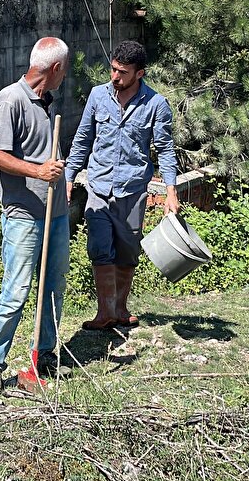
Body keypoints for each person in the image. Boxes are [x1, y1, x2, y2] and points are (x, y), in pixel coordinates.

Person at [0, 36, 71, 394]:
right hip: (23, 215)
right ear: (56, 68)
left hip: (56, 214)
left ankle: (44, 354)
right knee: (16, 291)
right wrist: (37, 172)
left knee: (53, 288)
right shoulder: (12, 99)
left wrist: (61, 178)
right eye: (65, 70)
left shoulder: (48, 101)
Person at [65, 40, 179, 331]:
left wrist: (171, 192)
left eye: (122, 72)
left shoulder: (156, 104)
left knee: (128, 251)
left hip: (132, 190)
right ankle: (105, 312)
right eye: (113, 69)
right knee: (100, 248)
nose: (115, 77)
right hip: (99, 186)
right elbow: (82, 139)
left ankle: (121, 308)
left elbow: (165, 149)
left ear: (139, 73)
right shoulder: (97, 96)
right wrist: (68, 177)